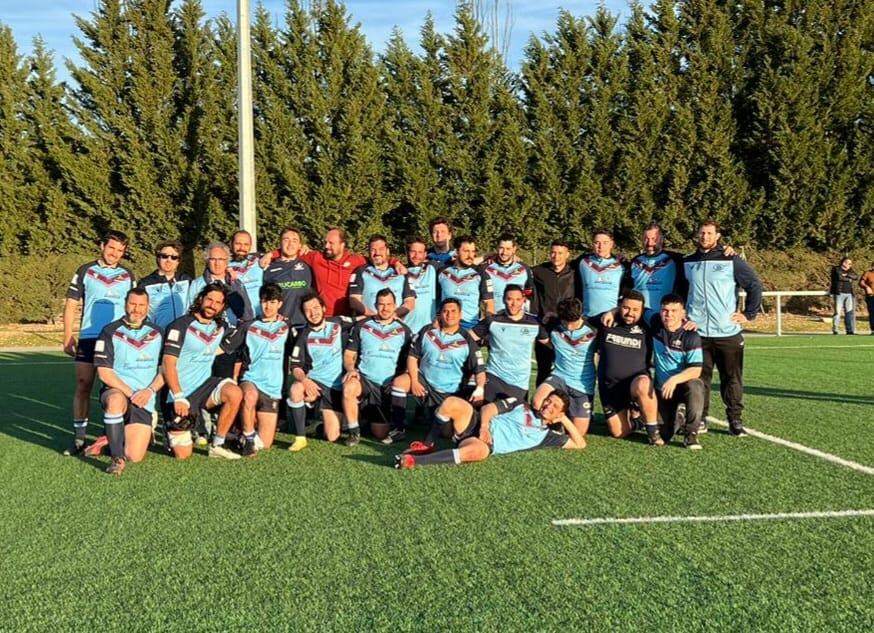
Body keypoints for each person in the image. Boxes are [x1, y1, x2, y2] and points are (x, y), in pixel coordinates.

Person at [684, 220, 762, 436]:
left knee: (732, 379)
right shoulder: (687, 262)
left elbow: (754, 284)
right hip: (698, 333)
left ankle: (734, 419)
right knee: (700, 379)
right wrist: (684, 316)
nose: (705, 237)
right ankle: (701, 418)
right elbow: (680, 292)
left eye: (709, 233)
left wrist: (748, 314)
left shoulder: (731, 259)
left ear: (717, 236)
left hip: (727, 332)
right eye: (702, 233)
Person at [62, 230, 135, 456]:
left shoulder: (128, 275)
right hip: (89, 336)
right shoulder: (85, 270)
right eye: (111, 247)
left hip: (116, 339)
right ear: (102, 246)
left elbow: (135, 307)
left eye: (120, 250)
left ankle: (109, 437)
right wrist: (67, 335)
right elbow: (71, 304)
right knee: (83, 384)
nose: (115, 253)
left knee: (114, 388)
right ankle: (79, 439)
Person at [394, 391, 585, 469]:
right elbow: (488, 408)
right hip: (476, 423)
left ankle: (414, 460)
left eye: (554, 406)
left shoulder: (548, 436)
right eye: (548, 400)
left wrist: (564, 419)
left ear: (559, 414)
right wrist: (484, 427)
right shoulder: (521, 404)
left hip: (482, 443)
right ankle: (428, 444)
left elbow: (580, 444)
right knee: (451, 403)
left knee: (479, 453)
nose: (548, 405)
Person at [388, 297, 486, 449]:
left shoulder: (467, 340)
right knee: (400, 382)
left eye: (453, 311)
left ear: (460, 314)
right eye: (445, 311)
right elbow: (412, 357)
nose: (449, 315)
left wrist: (480, 388)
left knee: (446, 433)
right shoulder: (427, 331)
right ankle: (398, 429)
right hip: (424, 384)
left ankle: (432, 419)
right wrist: (415, 381)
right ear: (440, 314)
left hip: (449, 394)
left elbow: (480, 371)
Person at [161, 282, 244, 460]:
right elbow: (168, 363)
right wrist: (178, 396)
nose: (212, 305)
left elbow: (232, 339)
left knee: (234, 392)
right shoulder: (180, 326)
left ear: (222, 307)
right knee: (183, 456)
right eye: (209, 299)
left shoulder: (220, 327)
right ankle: (168, 429)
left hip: (204, 387)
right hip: (181, 394)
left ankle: (217, 445)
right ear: (200, 299)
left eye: (218, 302)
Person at [91, 288, 164, 475]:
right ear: (125, 304)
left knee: (135, 456)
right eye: (132, 304)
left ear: (147, 307)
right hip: (119, 391)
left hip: (144, 399)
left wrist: (149, 392)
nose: (136, 309)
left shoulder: (158, 333)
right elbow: (104, 374)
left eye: (141, 305)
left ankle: (110, 436)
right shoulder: (109, 331)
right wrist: (131, 393)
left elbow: (166, 370)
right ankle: (117, 458)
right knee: (115, 400)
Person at [221, 283, 295, 455]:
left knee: (265, 443)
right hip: (251, 379)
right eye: (264, 301)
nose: (267, 306)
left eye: (272, 302)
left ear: (280, 304)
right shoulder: (248, 326)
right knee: (249, 396)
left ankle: (237, 433)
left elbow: (298, 351)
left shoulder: (287, 326)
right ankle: (247, 438)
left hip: (273, 388)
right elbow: (225, 348)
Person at [342, 289, 412, 446]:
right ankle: (353, 432)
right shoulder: (362, 325)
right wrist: (351, 369)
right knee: (349, 386)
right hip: (365, 380)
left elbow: (410, 360)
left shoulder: (404, 330)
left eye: (389, 304)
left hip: (386, 386)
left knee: (380, 432)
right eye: (381, 304)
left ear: (395, 305)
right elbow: (348, 355)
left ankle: (365, 416)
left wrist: (402, 378)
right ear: (375, 305)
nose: (385, 308)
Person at [596, 291, 663, 446]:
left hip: (635, 382)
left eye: (635, 310)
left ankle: (653, 431)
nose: (630, 313)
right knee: (619, 432)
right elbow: (579, 321)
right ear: (620, 306)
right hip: (610, 387)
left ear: (642, 310)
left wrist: (688, 322)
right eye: (626, 308)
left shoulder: (647, 325)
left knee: (643, 384)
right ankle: (639, 419)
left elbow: (666, 320)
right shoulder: (607, 319)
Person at [288, 292, 353, 447]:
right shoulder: (303, 336)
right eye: (308, 310)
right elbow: (295, 367)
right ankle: (300, 437)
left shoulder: (337, 323)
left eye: (316, 308)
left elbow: (360, 320)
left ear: (324, 308)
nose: (313, 313)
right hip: (315, 384)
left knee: (332, 436)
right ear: (303, 314)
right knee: (296, 389)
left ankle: (317, 421)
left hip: (336, 388)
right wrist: (305, 381)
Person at [531, 298, 596, 438]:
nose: (569, 327)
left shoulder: (594, 328)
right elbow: (534, 323)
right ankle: (548, 427)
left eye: (573, 322)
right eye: (566, 322)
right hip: (559, 377)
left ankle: (561, 418)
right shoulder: (554, 324)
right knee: (537, 402)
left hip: (583, 385)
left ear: (581, 315)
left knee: (578, 433)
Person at [471, 285, 549, 402]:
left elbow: (550, 343)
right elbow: (467, 339)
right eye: (509, 299)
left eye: (518, 299)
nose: (514, 303)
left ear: (524, 300)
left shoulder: (535, 323)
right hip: (494, 377)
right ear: (503, 300)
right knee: (487, 411)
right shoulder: (493, 321)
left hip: (520, 383)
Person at [651, 294, 705, 450]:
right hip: (662, 390)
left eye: (674, 311)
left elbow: (696, 369)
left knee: (696, 385)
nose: (668, 315)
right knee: (663, 435)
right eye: (665, 310)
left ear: (683, 313)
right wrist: (614, 311)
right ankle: (679, 418)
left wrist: (674, 380)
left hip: (681, 386)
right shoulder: (655, 322)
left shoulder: (691, 335)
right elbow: (638, 308)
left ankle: (691, 433)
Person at [531, 240, 577, 385]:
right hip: (544, 328)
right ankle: (540, 399)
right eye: (553, 252)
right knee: (543, 370)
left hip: (567, 328)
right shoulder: (538, 271)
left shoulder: (575, 273)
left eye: (560, 253)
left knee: (566, 370)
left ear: (567, 254)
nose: (556, 256)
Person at [349, 235, 416, 318]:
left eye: (381, 249)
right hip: (369, 322)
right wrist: (375, 317)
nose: (377, 253)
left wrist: (392, 317)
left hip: (395, 323)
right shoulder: (360, 272)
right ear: (369, 252)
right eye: (373, 250)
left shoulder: (401, 272)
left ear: (387, 251)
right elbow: (354, 300)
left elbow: (410, 302)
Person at [187, 242, 253, 326]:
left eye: (221, 259)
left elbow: (248, 313)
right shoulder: (196, 284)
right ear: (207, 261)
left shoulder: (237, 283)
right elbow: (191, 312)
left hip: (234, 329)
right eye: (213, 259)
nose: (217, 263)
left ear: (227, 261)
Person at [629, 223, 686, 320]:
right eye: (646, 239)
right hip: (638, 316)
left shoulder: (675, 259)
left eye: (654, 239)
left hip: (665, 316)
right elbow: (627, 287)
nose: (650, 243)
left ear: (661, 239)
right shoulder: (635, 261)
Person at [436, 235, 494, 329]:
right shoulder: (442, 271)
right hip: (446, 326)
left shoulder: (481, 274)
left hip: (470, 327)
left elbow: (489, 303)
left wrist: (485, 327)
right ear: (456, 252)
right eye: (466, 251)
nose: (470, 255)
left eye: (473, 251)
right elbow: (435, 299)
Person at [574, 228, 633, 318]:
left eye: (605, 243)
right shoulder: (582, 262)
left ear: (611, 244)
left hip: (611, 318)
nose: (600, 246)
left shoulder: (622, 265)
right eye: (597, 242)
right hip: (587, 318)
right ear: (592, 244)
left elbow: (629, 292)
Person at [262, 227, 313, 328]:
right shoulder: (268, 267)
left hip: (304, 325)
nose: (290, 244)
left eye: (294, 240)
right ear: (280, 243)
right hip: (278, 326)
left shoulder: (309, 264)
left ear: (300, 245)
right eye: (286, 240)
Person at [138, 240, 193, 331]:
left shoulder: (187, 281)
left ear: (178, 261)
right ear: (158, 258)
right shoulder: (146, 284)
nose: (168, 260)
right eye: (164, 256)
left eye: (174, 257)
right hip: (158, 334)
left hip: (183, 334)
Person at [482, 233, 535, 314]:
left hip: (517, 318)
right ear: (497, 248)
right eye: (501, 248)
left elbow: (529, 295)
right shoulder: (485, 268)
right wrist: (486, 256)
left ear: (514, 249)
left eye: (508, 249)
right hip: (495, 317)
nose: (504, 252)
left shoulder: (524, 269)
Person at [402, 236, 441, 334]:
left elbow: (458, 265)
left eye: (420, 252)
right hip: (406, 329)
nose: (416, 256)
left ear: (425, 254)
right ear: (407, 252)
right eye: (413, 251)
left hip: (429, 331)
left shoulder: (433, 268)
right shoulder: (400, 271)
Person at [229, 230, 264, 314]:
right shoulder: (222, 265)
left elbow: (286, 252)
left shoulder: (260, 261)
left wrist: (271, 254)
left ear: (250, 246)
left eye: (246, 244)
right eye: (238, 243)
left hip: (258, 317)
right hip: (234, 318)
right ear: (231, 245)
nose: (242, 248)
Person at [830, 257, 857, 335]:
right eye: (848, 263)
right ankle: (835, 329)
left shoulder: (850, 270)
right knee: (837, 312)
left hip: (849, 294)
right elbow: (840, 277)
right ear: (844, 263)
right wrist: (849, 279)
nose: (850, 265)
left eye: (850, 264)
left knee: (849, 312)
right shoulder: (836, 269)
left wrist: (847, 274)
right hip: (839, 293)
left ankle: (849, 330)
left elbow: (856, 276)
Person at [860, 261, 874, 335]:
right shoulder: (867, 273)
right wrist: (867, 287)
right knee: (872, 313)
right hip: (871, 296)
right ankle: (873, 330)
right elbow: (861, 282)